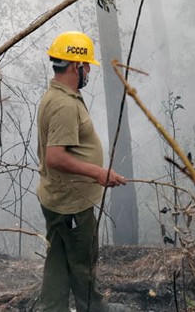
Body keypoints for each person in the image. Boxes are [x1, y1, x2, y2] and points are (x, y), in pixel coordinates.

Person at [36, 31, 128, 312]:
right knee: (82, 262)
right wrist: (98, 173)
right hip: (72, 204)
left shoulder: (58, 96)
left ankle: (53, 307)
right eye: (87, 66)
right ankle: (93, 308)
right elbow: (55, 157)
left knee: (58, 259)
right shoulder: (64, 105)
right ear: (76, 66)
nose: (88, 71)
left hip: (58, 198)